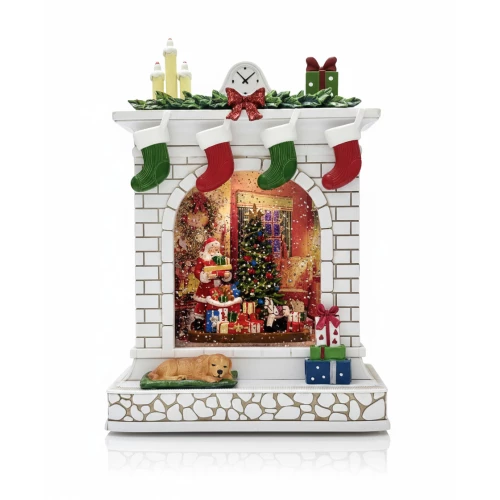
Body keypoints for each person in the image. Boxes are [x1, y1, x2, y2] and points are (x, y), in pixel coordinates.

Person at [191, 237, 232, 331]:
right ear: (208, 248)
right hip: (205, 287)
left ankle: (215, 322)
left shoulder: (220, 259)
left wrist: (226, 275)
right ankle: (199, 321)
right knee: (202, 303)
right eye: (212, 248)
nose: (214, 251)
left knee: (216, 304)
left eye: (216, 249)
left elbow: (225, 270)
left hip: (218, 287)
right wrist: (205, 275)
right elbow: (197, 272)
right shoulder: (202, 259)